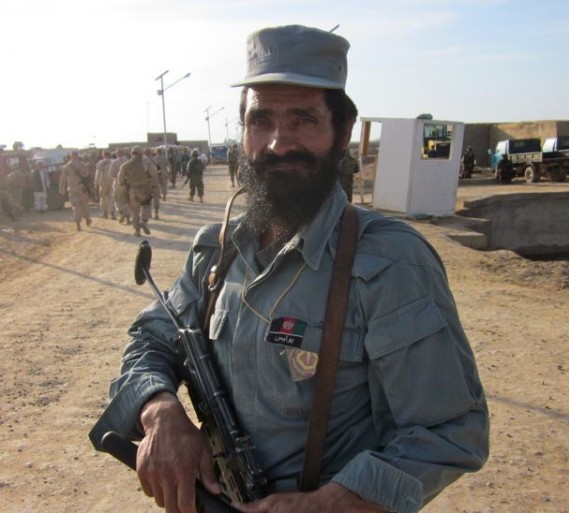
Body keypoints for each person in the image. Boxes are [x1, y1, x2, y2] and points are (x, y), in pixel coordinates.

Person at [91, 25, 488, 513]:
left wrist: (335, 501)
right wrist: (160, 411)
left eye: (303, 120)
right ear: (243, 133)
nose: (279, 143)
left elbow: (450, 430)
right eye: (261, 121)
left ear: (341, 133)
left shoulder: (387, 264)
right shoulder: (215, 253)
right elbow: (152, 340)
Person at [118, 145, 153, 237]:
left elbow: (120, 181)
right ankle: (144, 221)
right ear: (141, 153)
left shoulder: (125, 165)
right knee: (147, 205)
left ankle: (137, 231)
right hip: (144, 189)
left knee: (135, 211)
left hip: (132, 190)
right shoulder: (146, 164)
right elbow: (154, 175)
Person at [59, 151, 93, 231]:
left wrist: (62, 189)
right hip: (82, 188)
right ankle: (87, 218)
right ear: (77, 155)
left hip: (72, 188)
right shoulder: (82, 164)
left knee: (76, 206)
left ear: (70, 156)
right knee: (84, 204)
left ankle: (78, 223)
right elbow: (87, 175)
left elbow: (62, 179)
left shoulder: (67, 166)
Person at [110, 148, 131, 225]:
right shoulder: (129, 162)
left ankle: (121, 213)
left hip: (118, 183)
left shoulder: (114, 162)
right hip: (128, 183)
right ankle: (128, 217)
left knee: (117, 199)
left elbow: (111, 174)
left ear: (117, 154)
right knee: (127, 200)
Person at [95, 150, 117, 219]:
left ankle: (104, 213)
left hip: (103, 183)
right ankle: (112, 213)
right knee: (111, 198)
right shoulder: (113, 162)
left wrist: (96, 183)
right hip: (112, 182)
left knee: (103, 198)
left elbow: (98, 174)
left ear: (103, 155)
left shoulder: (101, 163)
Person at [143, 147, 162, 219]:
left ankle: (149, 213)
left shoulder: (143, 161)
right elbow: (159, 171)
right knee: (156, 198)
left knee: (147, 198)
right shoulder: (155, 160)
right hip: (155, 181)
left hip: (146, 182)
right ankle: (156, 213)